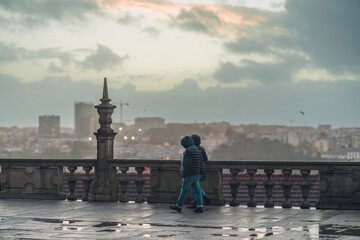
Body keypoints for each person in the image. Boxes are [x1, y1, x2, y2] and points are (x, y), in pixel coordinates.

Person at [169, 136, 204, 213]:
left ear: (186, 144)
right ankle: (200, 206)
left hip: (190, 174)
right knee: (198, 190)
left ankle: (179, 206)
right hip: (197, 173)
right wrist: (201, 172)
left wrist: (185, 174)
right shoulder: (197, 150)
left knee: (184, 190)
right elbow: (201, 163)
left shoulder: (188, 151)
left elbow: (187, 164)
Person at [187, 134, 211, 209]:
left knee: (193, 185)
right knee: (195, 184)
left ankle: (195, 202)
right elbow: (205, 159)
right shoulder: (202, 149)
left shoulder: (191, 149)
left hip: (194, 170)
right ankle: (204, 197)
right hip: (201, 169)